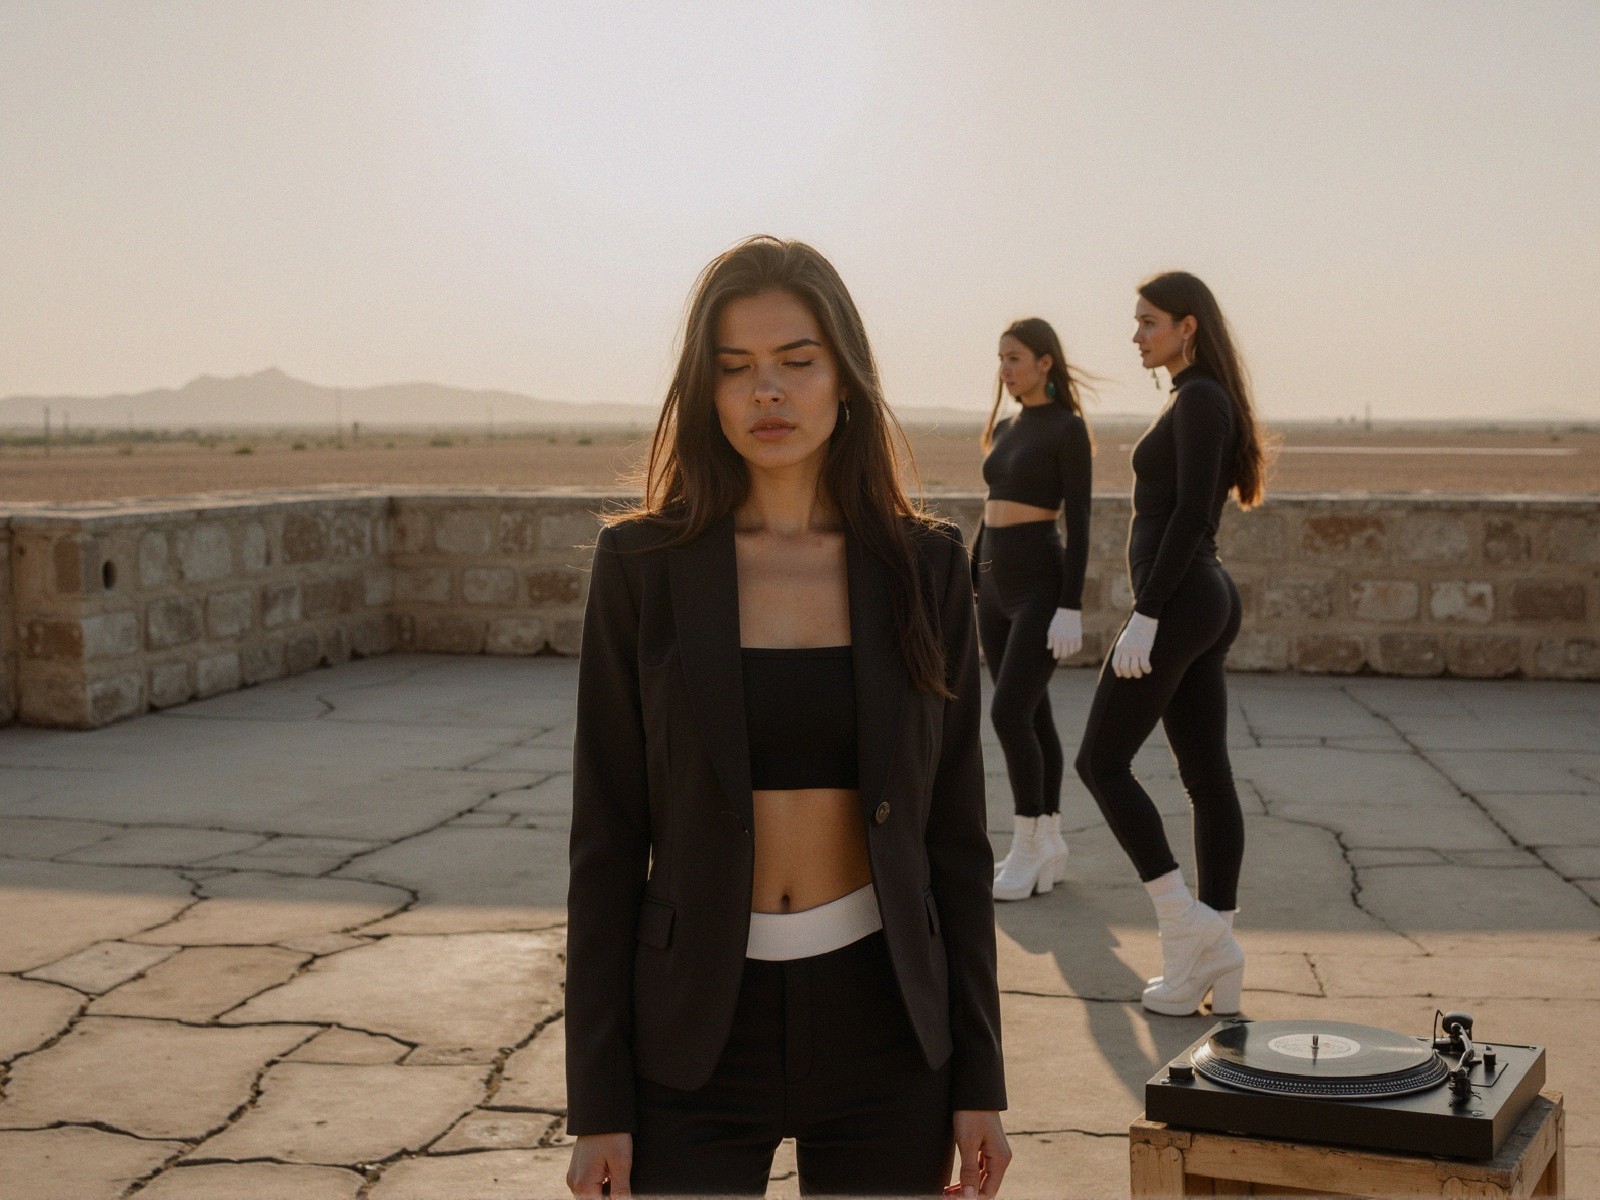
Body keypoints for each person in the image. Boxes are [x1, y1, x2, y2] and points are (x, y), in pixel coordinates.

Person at [565, 236, 1010, 1197]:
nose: (767, 392)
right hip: (689, 1033)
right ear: (707, 394)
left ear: (845, 379)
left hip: (886, 1023)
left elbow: (955, 840)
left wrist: (981, 1077)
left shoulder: (925, 567)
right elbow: (605, 844)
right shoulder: (641, 569)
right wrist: (597, 1101)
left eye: (796, 363)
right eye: (735, 370)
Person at [1074, 271, 1267, 1017]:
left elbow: (1189, 514)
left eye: (1147, 321)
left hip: (1183, 600)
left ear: (1188, 326)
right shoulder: (1198, 399)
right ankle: (1207, 956)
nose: (1135, 336)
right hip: (1196, 599)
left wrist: (1146, 613)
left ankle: (1184, 923)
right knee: (1204, 775)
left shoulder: (1200, 400)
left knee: (1100, 760)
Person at [974, 319, 1093, 902]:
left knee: (1007, 713)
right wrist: (974, 577)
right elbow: (990, 506)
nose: (1005, 368)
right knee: (1033, 714)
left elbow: (1083, 522)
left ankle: (1025, 842)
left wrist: (1071, 604)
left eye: (1015, 357)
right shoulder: (1005, 426)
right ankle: (1049, 839)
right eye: (1000, 358)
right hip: (994, 583)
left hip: (1040, 586)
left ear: (1046, 362)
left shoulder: (1067, 430)